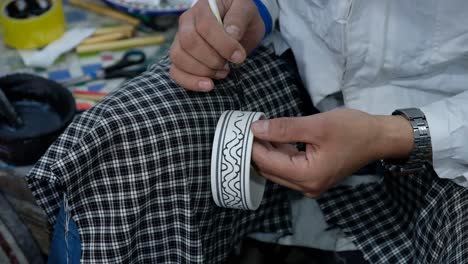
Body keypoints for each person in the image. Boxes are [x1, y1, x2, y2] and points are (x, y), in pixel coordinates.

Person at [28, 0, 468, 263]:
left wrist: (400, 135)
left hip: (448, 121)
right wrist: (250, 10)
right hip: (303, 67)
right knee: (122, 141)